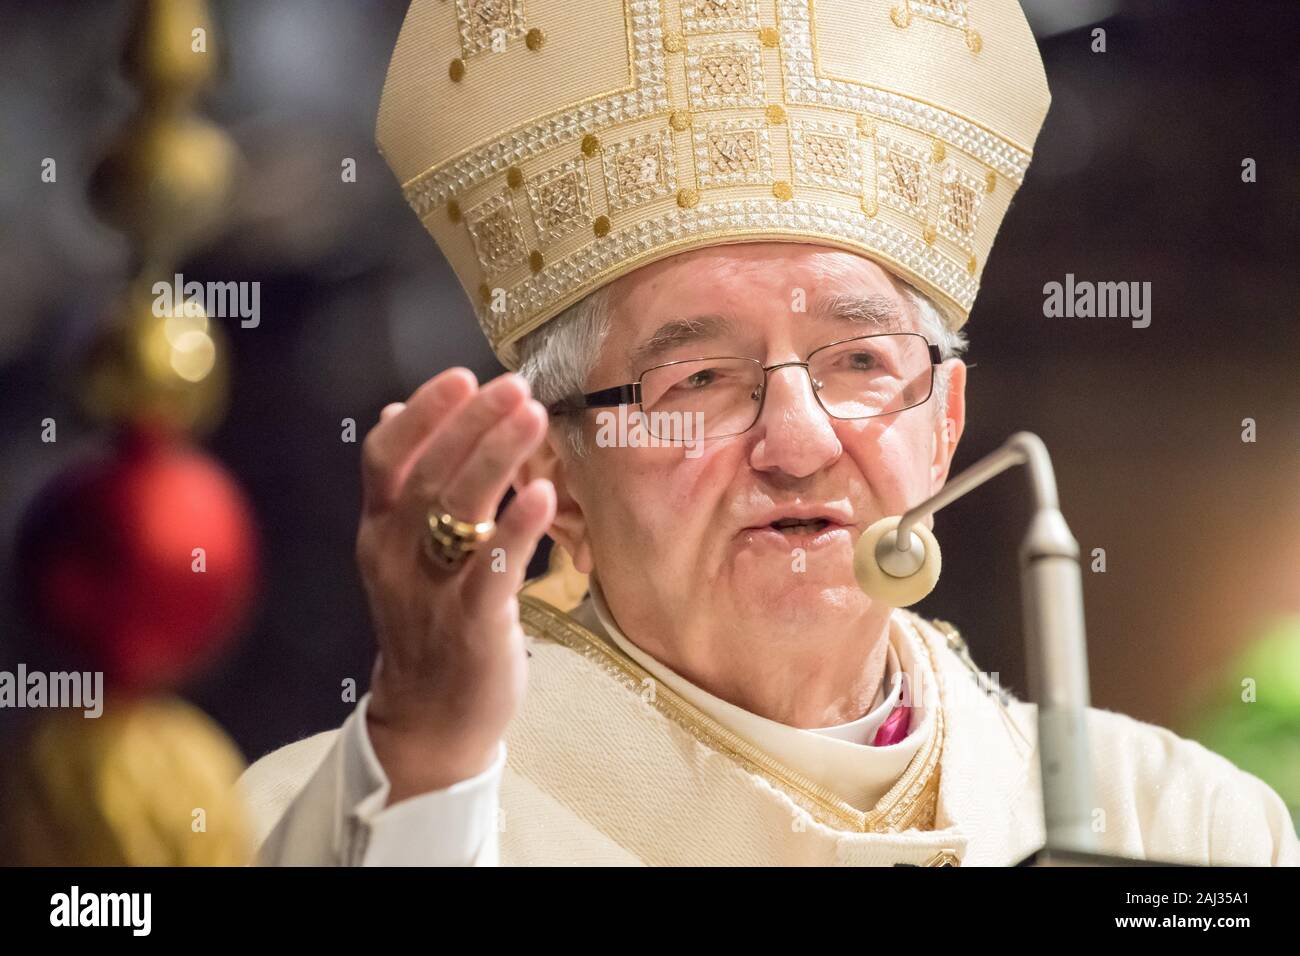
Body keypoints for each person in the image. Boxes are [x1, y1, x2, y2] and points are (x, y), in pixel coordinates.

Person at [239, 0, 1299, 865]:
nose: (797, 442)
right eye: (698, 377)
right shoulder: (371, 810)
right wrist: (427, 757)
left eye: (860, 362)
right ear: (555, 476)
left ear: (945, 425)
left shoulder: (1187, 831)